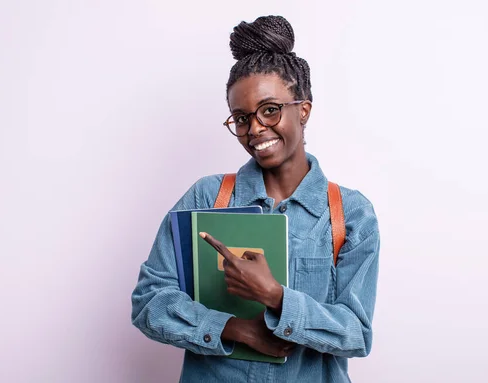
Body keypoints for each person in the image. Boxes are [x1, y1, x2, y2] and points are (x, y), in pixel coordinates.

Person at [131, 15, 380, 383]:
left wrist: (277, 297)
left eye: (270, 110)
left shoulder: (351, 214)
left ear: (304, 110)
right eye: (241, 118)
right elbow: (149, 301)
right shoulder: (208, 196)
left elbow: (356, 334)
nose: (256, 129)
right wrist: (232, 328)